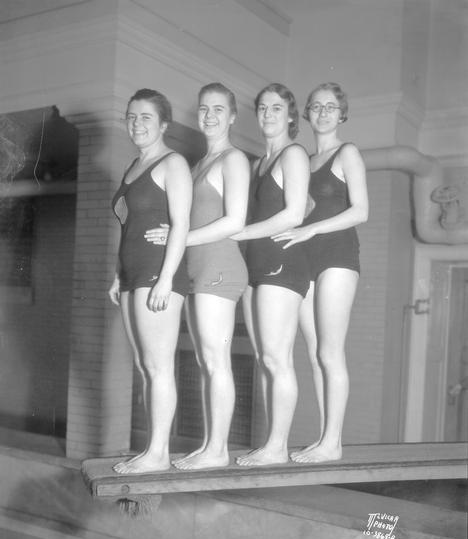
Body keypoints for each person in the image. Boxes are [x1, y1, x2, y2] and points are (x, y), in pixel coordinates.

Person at [145, 83, 250, 470]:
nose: (209, 116)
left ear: (233, 116)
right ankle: (211, 445)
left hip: (220, 268)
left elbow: (235, 221)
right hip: (196, 270)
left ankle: (218, 450)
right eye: (204, 109)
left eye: (219, 109)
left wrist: (180, 235)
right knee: (207, 362)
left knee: (216, 358)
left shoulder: (233, 159)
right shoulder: (197, 164)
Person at [272, 82, 369, 463]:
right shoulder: (302, 161)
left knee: (330, 352)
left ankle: (334, 442)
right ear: (307, 114)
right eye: (316, 107)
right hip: (305, 259)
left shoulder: (348, 153)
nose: (323, 112)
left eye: (331, 107)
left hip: (338, 257)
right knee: (314, 353)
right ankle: (325, 439)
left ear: (342, 113)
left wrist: (311, 228)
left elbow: (361, 210)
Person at [109, 88, 192, 474]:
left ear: (163, 124)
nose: (136, 123)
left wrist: (166, 279)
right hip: (130, 275)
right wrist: (117, 274)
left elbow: (181, 224)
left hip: (158, 274)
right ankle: (151, 447)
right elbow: (131, 226)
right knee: (145, 366)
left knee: (158, 366)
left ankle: (158, 454)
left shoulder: (172, 163)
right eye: (131, 116)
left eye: (145, 117)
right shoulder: (133, 166)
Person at [231, 83, 310, 467]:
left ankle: (278, 446)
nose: (267, 114)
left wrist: (241, 233)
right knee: (264, 357)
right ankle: (270, 442)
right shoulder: (257, 163)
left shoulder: (293, 154)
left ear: (291, 115)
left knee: (278, 358)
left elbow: (295, 213)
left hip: (282, 263)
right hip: (255, 264)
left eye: (276, 108)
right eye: (262, 107)